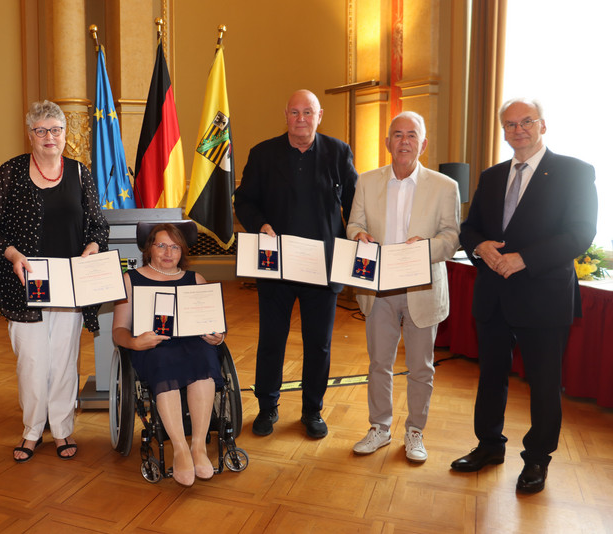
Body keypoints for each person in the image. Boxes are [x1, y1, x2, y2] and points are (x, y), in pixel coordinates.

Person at [452, 98, 597, 493]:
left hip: (544, 297)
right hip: (493, 295)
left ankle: (536, 459)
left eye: (526, 121)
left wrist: (524, 259)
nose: (518, 129)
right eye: (510, 124)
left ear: (542, 125)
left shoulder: (575, 172)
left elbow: (581, 233)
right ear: (503, 130)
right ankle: (488, 446)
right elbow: (470, 228)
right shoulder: (492, 175)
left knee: (544, 383)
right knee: (491, 378)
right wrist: (479, 247)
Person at [0, 100, 109, 463]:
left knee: (64, 361)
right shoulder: (11, 172)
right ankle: (33, 431)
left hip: (68, 286)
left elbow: (98, 225)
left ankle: (63, 429)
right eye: (41, 130)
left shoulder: (80, 173)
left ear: (65, 134)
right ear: (30, 135)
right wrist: (14, 255)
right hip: (25, 286)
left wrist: (92, 249)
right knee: (32, 363)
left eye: (56, 130)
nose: (50, 137)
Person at [234, 89, 358, 439]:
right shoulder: (262, 154)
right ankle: (267, 407)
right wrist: (260, 225)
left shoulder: (338, 152)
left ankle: (312, 411)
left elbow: (354, 202)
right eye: (294, 112)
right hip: (276, 267)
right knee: (272, 339)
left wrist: (361, 234)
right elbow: (243, 200)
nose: (301, 119)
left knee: (318, 343)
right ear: (285, 115)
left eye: (308, 112)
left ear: (321, 115)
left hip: (324, 267)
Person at [346, 111, 460, 462]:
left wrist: (423, 249)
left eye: (412, 135)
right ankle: (380, 427)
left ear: (423, 144)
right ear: (387, 143)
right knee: (379, 362)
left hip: (422, 290)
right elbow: (353, 225)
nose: (405, 141)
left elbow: (451, 239)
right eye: (398, 134)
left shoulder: (445, 186)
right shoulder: (366, 181)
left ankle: (415, 431)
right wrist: (359, 235)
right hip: (378, 290)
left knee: (421, 366)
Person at [111, 223, 225, 487]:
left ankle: (197, 445)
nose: (168, 252)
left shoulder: (195, 279)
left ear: (182, 251)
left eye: (174, 246)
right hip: (152, 347)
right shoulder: (131, 279)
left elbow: (215, 325)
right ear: (148, 248)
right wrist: (135, 343)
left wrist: (218, 336)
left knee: (206, 357)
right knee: (163, 362)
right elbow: (118, 330)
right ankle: (180, 448)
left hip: (193, 344)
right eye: (160, 245)